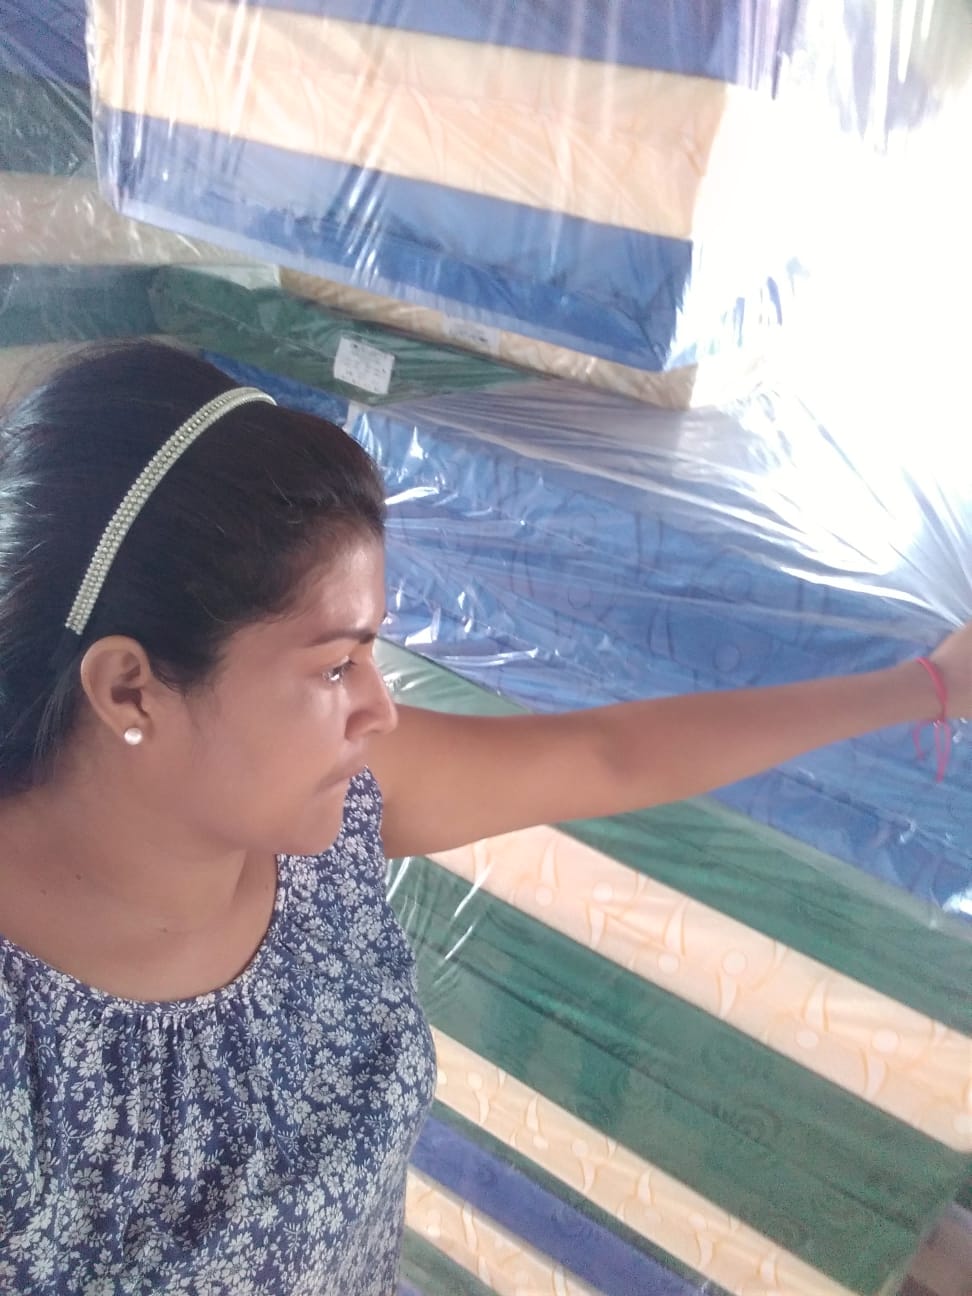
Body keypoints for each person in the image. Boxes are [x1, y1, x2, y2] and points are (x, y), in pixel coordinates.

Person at [0, 340, 967, 1294]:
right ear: (129, 689)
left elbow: (611, 755)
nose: (380, 707)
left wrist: (929, 686)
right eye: (335, 666)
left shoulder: (328, 815)